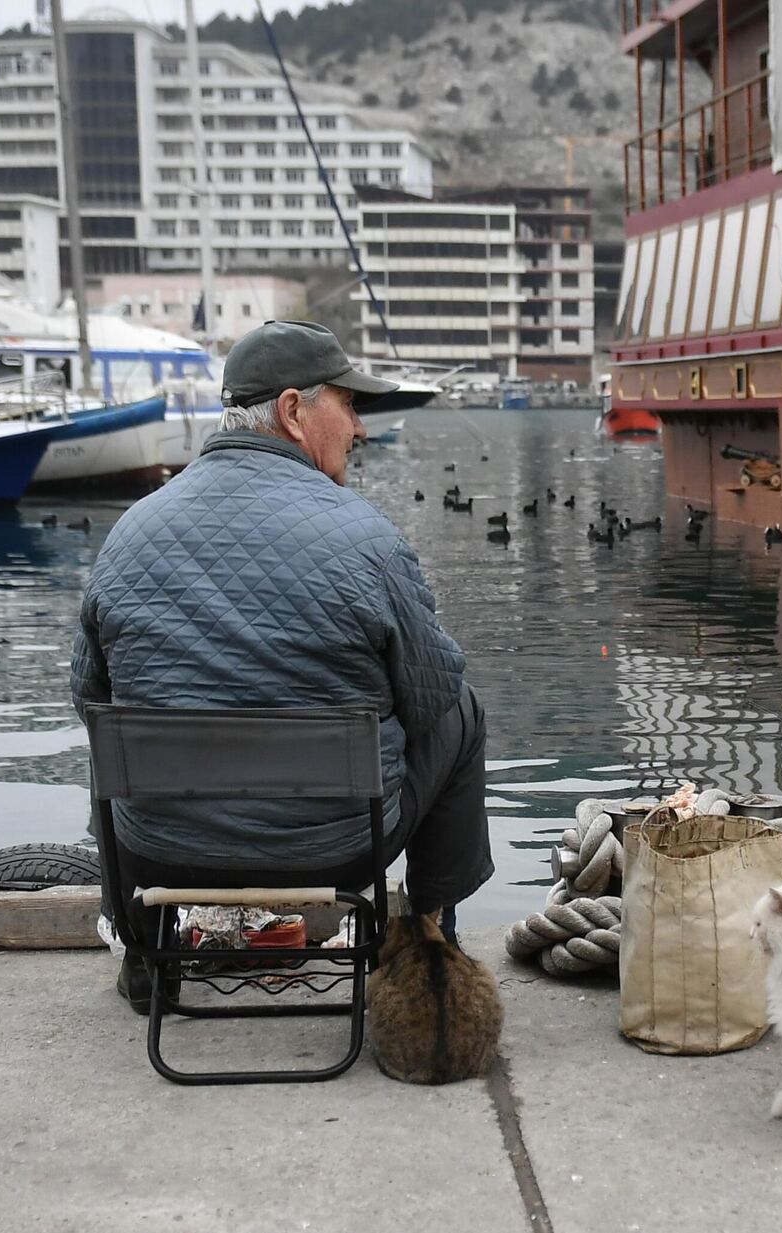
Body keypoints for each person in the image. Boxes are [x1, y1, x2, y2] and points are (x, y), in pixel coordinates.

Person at [70, 320, 493, 1009]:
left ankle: (145, 951)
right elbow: (432, 698)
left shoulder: (130, 531)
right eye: (349, 404)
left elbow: (87, 696)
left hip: (163, 846)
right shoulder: (369, 540)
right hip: (335, 848)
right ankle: (429, 936)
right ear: (295, 411)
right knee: (464, 711)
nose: (359, 427)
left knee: (112, 736)